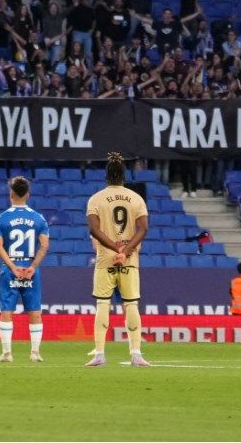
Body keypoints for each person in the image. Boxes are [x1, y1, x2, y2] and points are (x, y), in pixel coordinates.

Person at [85, 153, 150, 368]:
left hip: (105, 259)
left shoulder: (96, 198)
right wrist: (126, 249)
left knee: (103, 304)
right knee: (131, 305)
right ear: (124, 174)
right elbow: (143, 228)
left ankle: (100, 354)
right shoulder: (136, 198)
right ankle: (136, 354)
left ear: (106, 175)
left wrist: (115, 248)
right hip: (129, 260)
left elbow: (94, 229)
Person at [0, 175, 50, 363]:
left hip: (10, 269)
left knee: (6, 310)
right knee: (35, 311)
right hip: (31, 269)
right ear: (28, 195)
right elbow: (45, 245)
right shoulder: (39, 218)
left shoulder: (2, 218)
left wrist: (13, 267)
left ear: (11, 194)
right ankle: (35, 353)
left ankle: (7, 353)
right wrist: (32, 266)